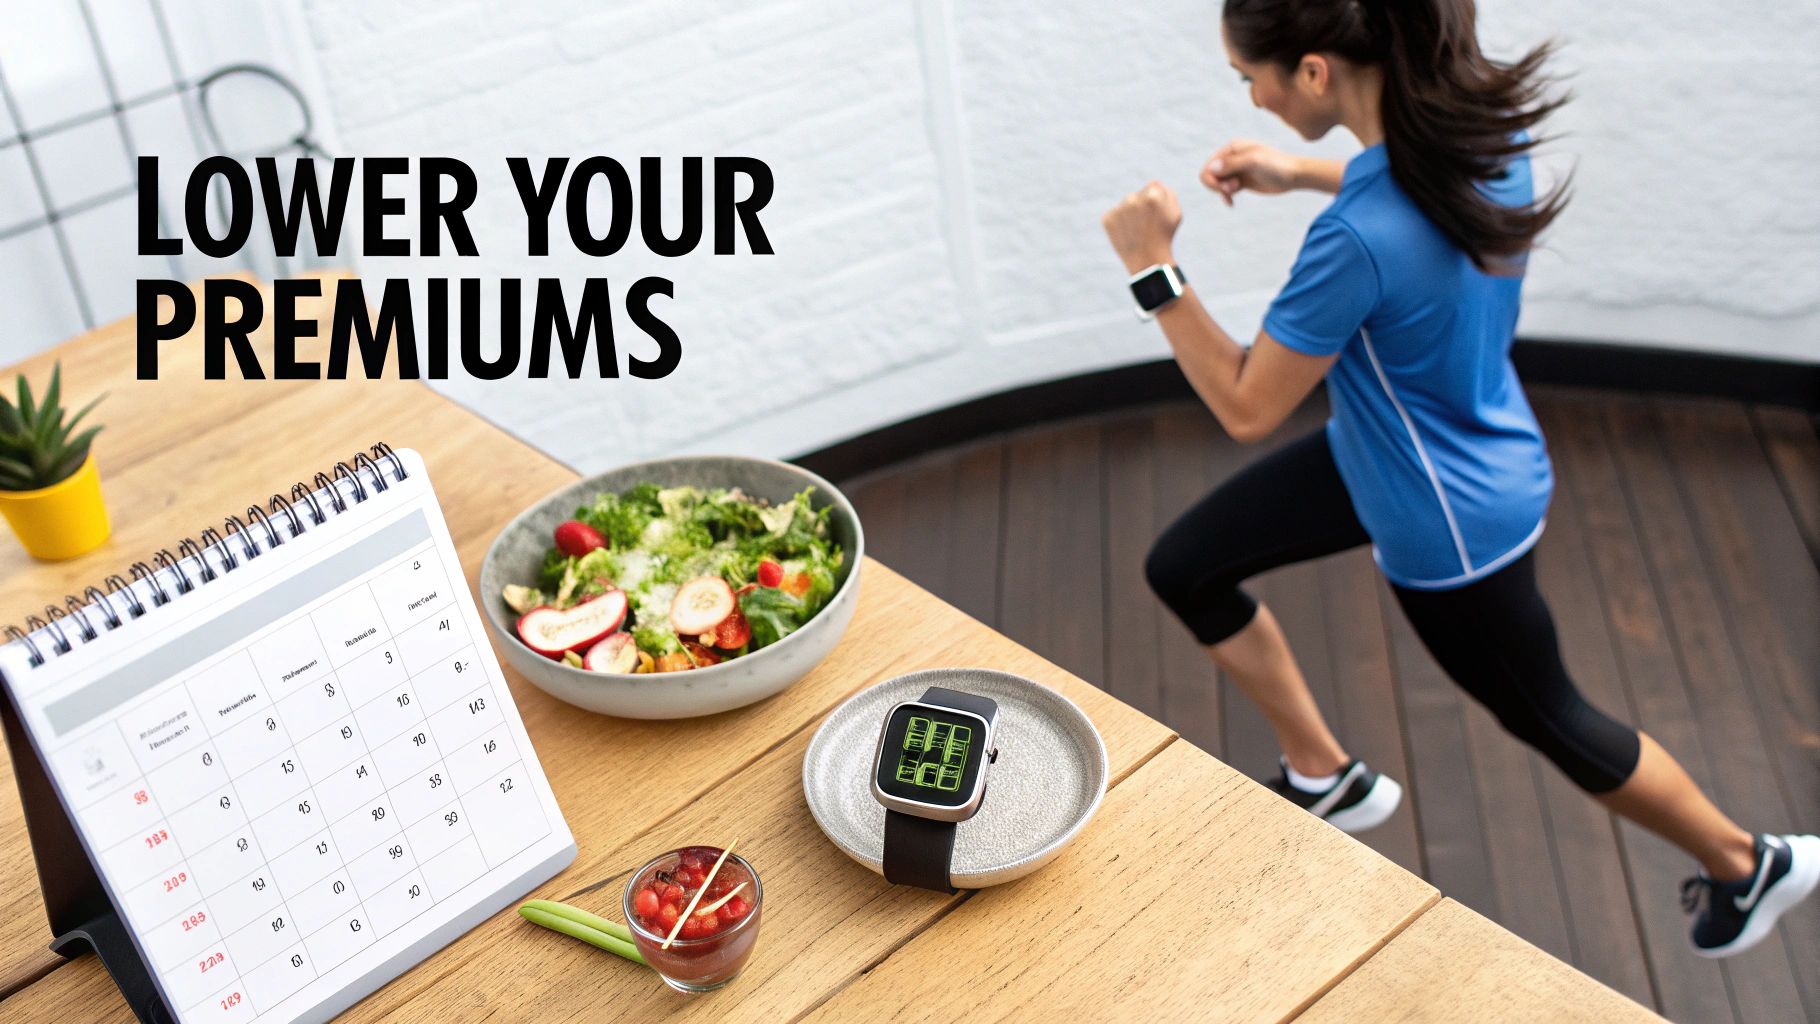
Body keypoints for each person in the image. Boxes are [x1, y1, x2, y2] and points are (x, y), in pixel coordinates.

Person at [1099, 0, 1817, 959]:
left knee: (1553, 717)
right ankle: (1324, 774)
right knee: (1186, 565)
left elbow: (1245, 405)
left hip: (1447, 522)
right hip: (1418, 446)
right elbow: (1403, 196)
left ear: (1314, 72)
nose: (1254, 99)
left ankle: (1748, 861)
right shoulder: (1487, 136)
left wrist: (1152, 265)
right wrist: (1298, 171)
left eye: (1250, 78)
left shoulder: (1354, 241)